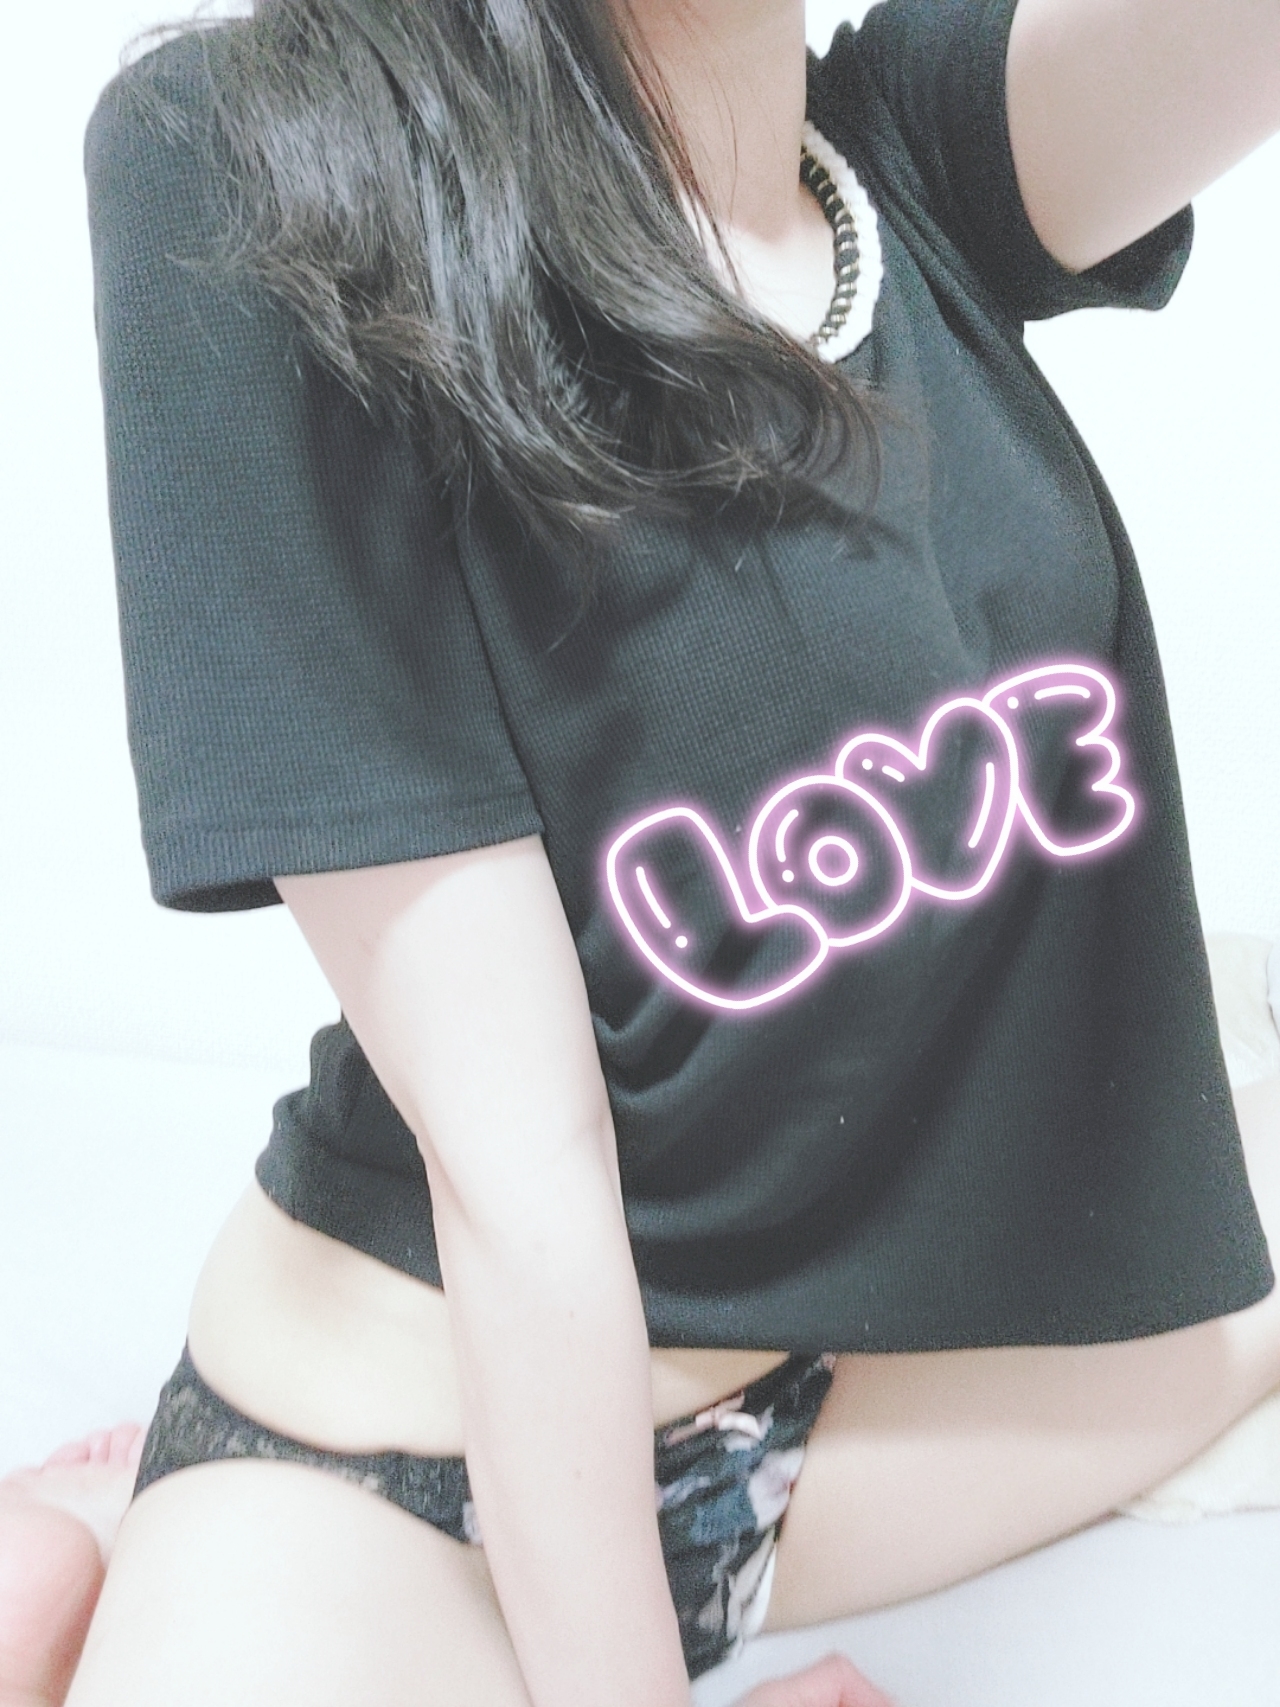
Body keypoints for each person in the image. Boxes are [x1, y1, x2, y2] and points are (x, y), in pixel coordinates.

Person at [4, 0, 1280, 1702]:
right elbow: (518, 1168)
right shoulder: (253, 151)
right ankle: (100, 1545)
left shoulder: (911, 154)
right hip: (393, 1466)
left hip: (840, 1431)